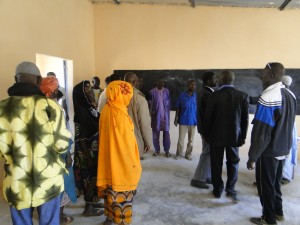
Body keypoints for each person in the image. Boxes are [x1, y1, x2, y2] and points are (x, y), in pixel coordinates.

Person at [0, 61, 72, 225]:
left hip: (17, 182)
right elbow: (62, 145)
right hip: (48, 182)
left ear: (15, 79)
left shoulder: (2, 108)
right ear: (39, 80)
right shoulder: (50, 107)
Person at [247, 63, 297, 225]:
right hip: (283, 147)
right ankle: (278, 213)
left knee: (265, 186)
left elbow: (262, 132)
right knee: (275, 184)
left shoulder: (269, 97)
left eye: (263, 73)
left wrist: (253, 156)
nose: (261, 76)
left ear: (271, 74)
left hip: (268, 151)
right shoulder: (289, 94)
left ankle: (268, 219)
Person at [97, 80, 142, 225]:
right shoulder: (120, 115)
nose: (129, 97)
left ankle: (109, 218)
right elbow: (126, 147)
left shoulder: (106, 110)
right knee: (121, 195)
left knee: (110, 193)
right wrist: (133, 166)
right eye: (128, 94)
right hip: (121, 166)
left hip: (108, 163)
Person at [204, 70, 249, 202]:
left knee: (216, 164)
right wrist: (243, 137)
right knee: (233, 163)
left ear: (223, 80)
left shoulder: (214, 96)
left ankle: (217, 190)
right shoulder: (243, 96)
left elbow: (208, 118)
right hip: (234, 137)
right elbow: (244, 120)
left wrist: (206, 134)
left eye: (219, 78)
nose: (217, 80)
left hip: (215, 137)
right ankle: (231, 189)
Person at [40, 76, 77, 225]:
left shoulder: (39, 106)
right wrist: (67, 154)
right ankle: (59, 217)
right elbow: (60, 135)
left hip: (45, 155)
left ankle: (52, 215)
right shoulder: (54, 108)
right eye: (56, 89)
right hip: (59, 153)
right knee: (61, 185)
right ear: (51, 91)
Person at [72, 80, 104, 217]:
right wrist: (89, 158)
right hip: (87, 153)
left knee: (94, 178)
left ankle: (93, 201)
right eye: (87, 90)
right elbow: (80, 137)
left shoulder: (91, 109)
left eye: (90, 89)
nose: (91, 92)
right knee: (88, 179)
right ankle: (88, 208)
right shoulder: (80, 112)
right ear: (81, 94)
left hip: (94, 151)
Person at [191, 72, 217, 189]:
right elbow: (208, 116)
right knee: (207, 153)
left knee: (209, 153)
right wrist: (208, 131)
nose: (216, 80)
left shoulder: (206, 92)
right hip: (208, 130)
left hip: (206, 129)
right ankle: (198, 178)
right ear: (208, 81)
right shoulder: (206, 94)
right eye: (214, 79)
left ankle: (207, 176)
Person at [124, 72, 153, 160]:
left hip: (119, 140)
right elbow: (144, 124)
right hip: (134, 141)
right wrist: (148, 142)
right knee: (133, 168)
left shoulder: (116, 95)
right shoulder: (139, 98)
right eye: (138, 81)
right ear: (135, 82)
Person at [280, 75, 298, 185]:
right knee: (287, 152)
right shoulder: (292, 94)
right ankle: (284, 175)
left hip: (285, 126)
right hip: (289, 125)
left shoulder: (284, 94)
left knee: (284, 153)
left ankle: (284, 176)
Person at [174, 79, 197, 160]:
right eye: (191, 84)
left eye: (194, 85)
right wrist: (176, 118)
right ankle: (179, 154)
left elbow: (200, 109)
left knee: (191, 140)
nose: (192, 86)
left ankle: (188, 154)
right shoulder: (182, 95)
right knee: (181, 140)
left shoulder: (197, 96)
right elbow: (178, 108)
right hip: (183, 121)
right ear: (188, 86)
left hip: (193, 122)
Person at [149, 77, 171, 157]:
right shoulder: (152, 92)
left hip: (165, 116)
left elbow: (169, 102)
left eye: (162, 82)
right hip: (156, 116)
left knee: (166, 134)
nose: (161, 84)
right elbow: (150, 104)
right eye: (159, 82)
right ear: (156, 83)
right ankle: (157, 150)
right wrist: (151, 113)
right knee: (155, 133)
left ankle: (167, 150)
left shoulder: (166, 91)